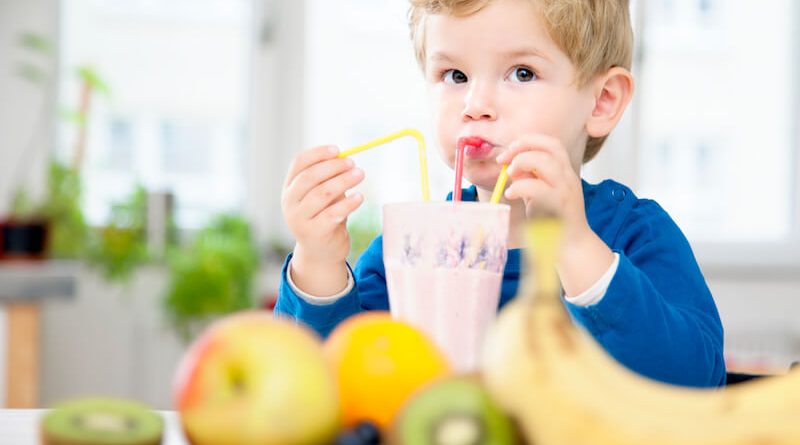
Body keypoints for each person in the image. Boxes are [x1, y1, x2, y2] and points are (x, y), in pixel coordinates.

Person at [275, 0, 725, 387]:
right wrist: (318, 261)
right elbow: (318, 388)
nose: (475, 105)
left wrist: (574, 244)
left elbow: (693, 382)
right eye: (454, 75)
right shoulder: (411, 251)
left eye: (522, 73)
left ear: (602, 100)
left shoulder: (634, 234)